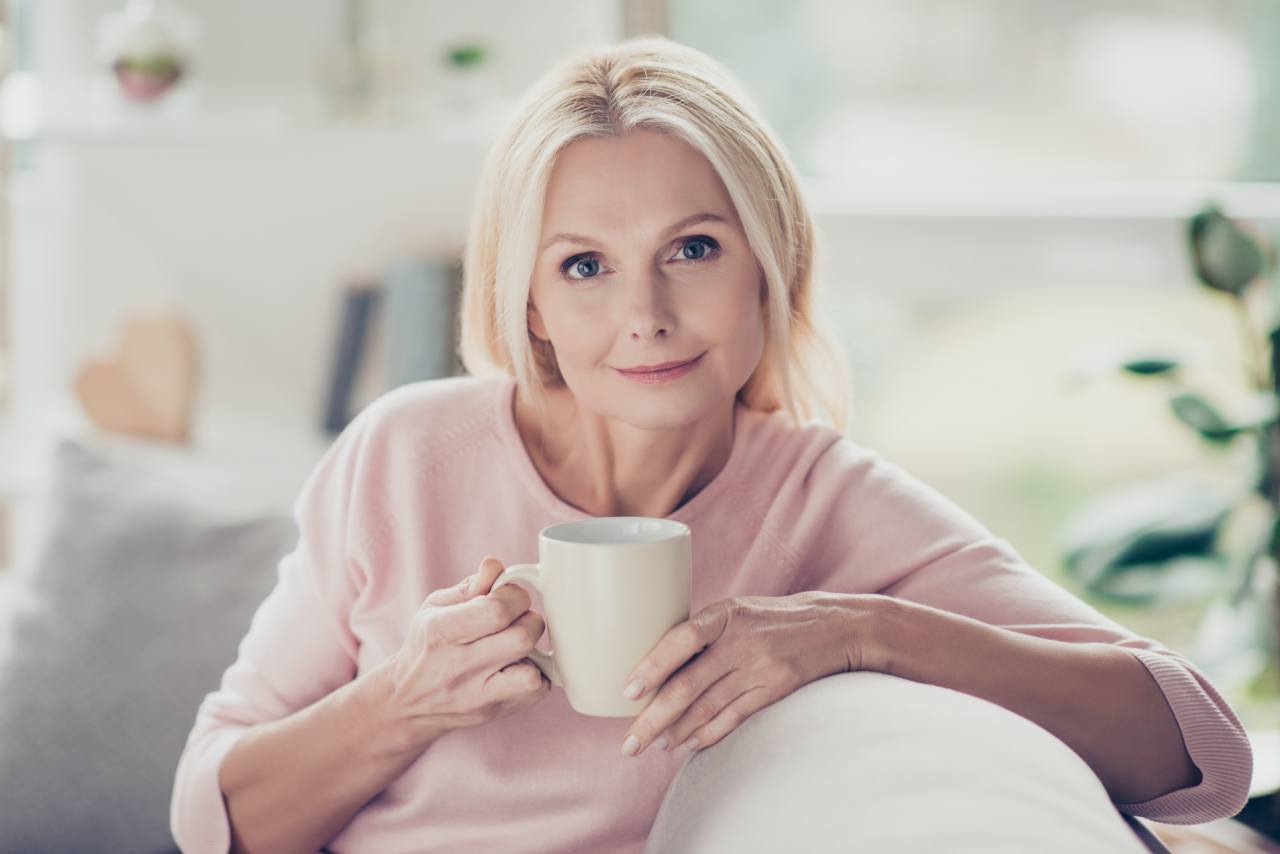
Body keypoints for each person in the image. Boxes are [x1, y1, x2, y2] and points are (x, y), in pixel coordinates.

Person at [170, 35, 1253, 854]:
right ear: (529, 302)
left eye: (690, 248)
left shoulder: (823, 499)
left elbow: (1198, 747)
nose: (641, 312)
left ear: (766, 265)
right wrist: (404, 696)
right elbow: (214, 814)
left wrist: (858, 630)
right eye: (583, 266)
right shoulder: (403, 455)